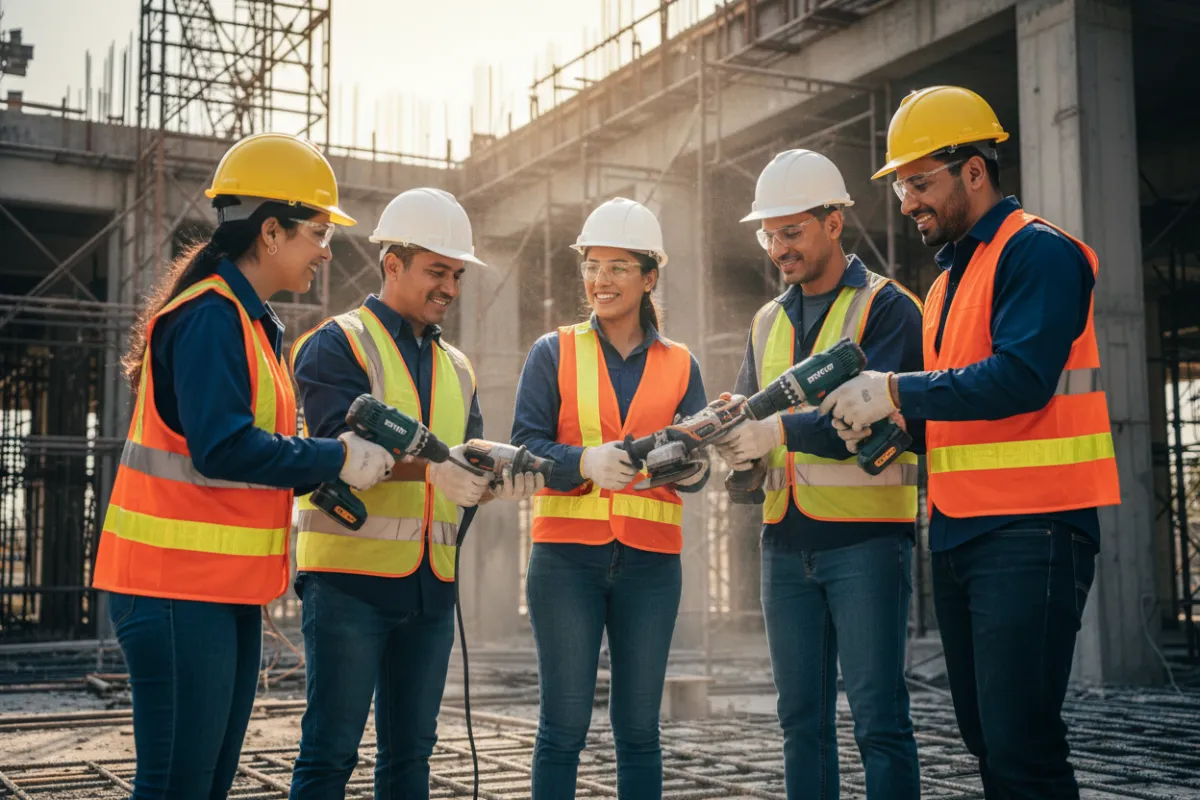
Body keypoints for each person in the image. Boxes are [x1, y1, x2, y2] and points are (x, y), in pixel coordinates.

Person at [819, 85, 1121, 799]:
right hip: (961, 535)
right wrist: (892, 425)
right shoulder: (953, 277)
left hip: (1034, 528)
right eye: (901, 187)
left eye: (919, 183)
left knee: (1023, 749)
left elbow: (1021, 380)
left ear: (974, 171)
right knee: (988, 739)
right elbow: (955, 405)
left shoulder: (1038, 253)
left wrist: (895, 390)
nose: (907, 202)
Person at [91, 133, 394, 799]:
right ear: (271, 230)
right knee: (177, 785)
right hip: (171, 585)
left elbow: (253, 455)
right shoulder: (209, 317)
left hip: (219, 589)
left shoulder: (254, 324)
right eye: (316, 231)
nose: (325, 249)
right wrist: (337, 455)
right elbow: (222, 447)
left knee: (207, 784)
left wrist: (330, 468)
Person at [287, 187, 545, 799]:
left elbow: (467, 462)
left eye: (456, 274)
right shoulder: (336, 343)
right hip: (349, 582)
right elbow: (331, 458)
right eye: (437, 271)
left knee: (411, 760)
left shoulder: (459, 366)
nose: (450, 288)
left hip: (431, 589)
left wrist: (490, 483)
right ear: (392, 264)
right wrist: (433, 471)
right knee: (330, 753)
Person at [711, 149, 924, 799]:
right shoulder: (766, 320)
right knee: (800, 723)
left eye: (792, 231)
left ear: (834, 223)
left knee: (878, 722)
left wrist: (775, 430)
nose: (778, 248)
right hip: (784, 543)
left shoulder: (888, 310)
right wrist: (733, 435)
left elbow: (873, 420)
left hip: (867, 543)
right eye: (768, 234)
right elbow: (752, 411)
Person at [510, 197, 709, 799]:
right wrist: (581, 463)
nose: (601, 279)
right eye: (593, 265)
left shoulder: (681, 364)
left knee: (639, 731)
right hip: (566, 561)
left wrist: (696, 466)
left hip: (651, 564)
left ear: (650, 277)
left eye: (619, 266)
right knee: (563, 726)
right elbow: (525, 447)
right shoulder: (553, 351)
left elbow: (699, 465)